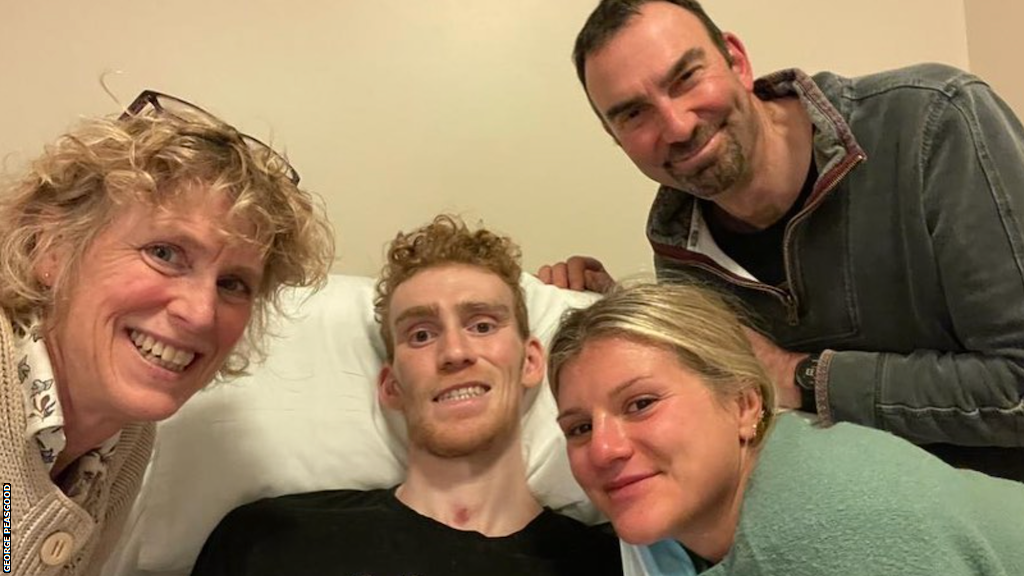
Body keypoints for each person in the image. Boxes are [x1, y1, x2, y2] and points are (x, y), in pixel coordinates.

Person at [538, 0, 1024, 480]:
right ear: (614, 137)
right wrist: (612, 312)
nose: (678, 125)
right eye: (634, 114)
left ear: (736, 60)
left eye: (686, 78)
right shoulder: (680, 252)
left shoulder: (933, 124)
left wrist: (800, 375)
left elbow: (1016, 387)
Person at [0, 90, 334, 576]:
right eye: (165, 253)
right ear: (50, 247)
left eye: (233, 284)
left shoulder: (126, 440)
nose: (201, 313)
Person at [190, 214, 622, 576]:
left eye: (483, 325)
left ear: (530, 362)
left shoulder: (612, 564)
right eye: (421, 334)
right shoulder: (268, 540)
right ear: (391, 386)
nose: (454, 352)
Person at [548, 282, 1024, 576]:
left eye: (641, 404)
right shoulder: (696, 532)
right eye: (580, 428)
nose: (604, 449)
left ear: (744, 403)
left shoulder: (832, 529)